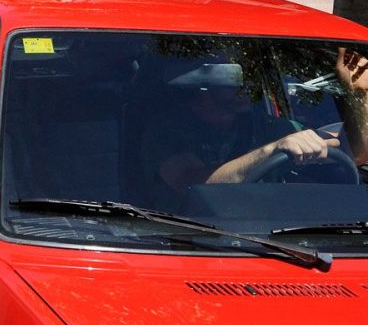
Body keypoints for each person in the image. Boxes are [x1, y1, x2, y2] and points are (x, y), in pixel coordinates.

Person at [140, 49, 368, 208]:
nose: (248, 87)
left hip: (272, 234)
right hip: (186, 236)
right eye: (235, 78)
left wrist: (358, 95)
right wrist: (273, 150)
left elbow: (349, 153)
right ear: (203, 83)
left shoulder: (266, 126)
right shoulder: (166, 129)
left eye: (252, 78)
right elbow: (191, 183)